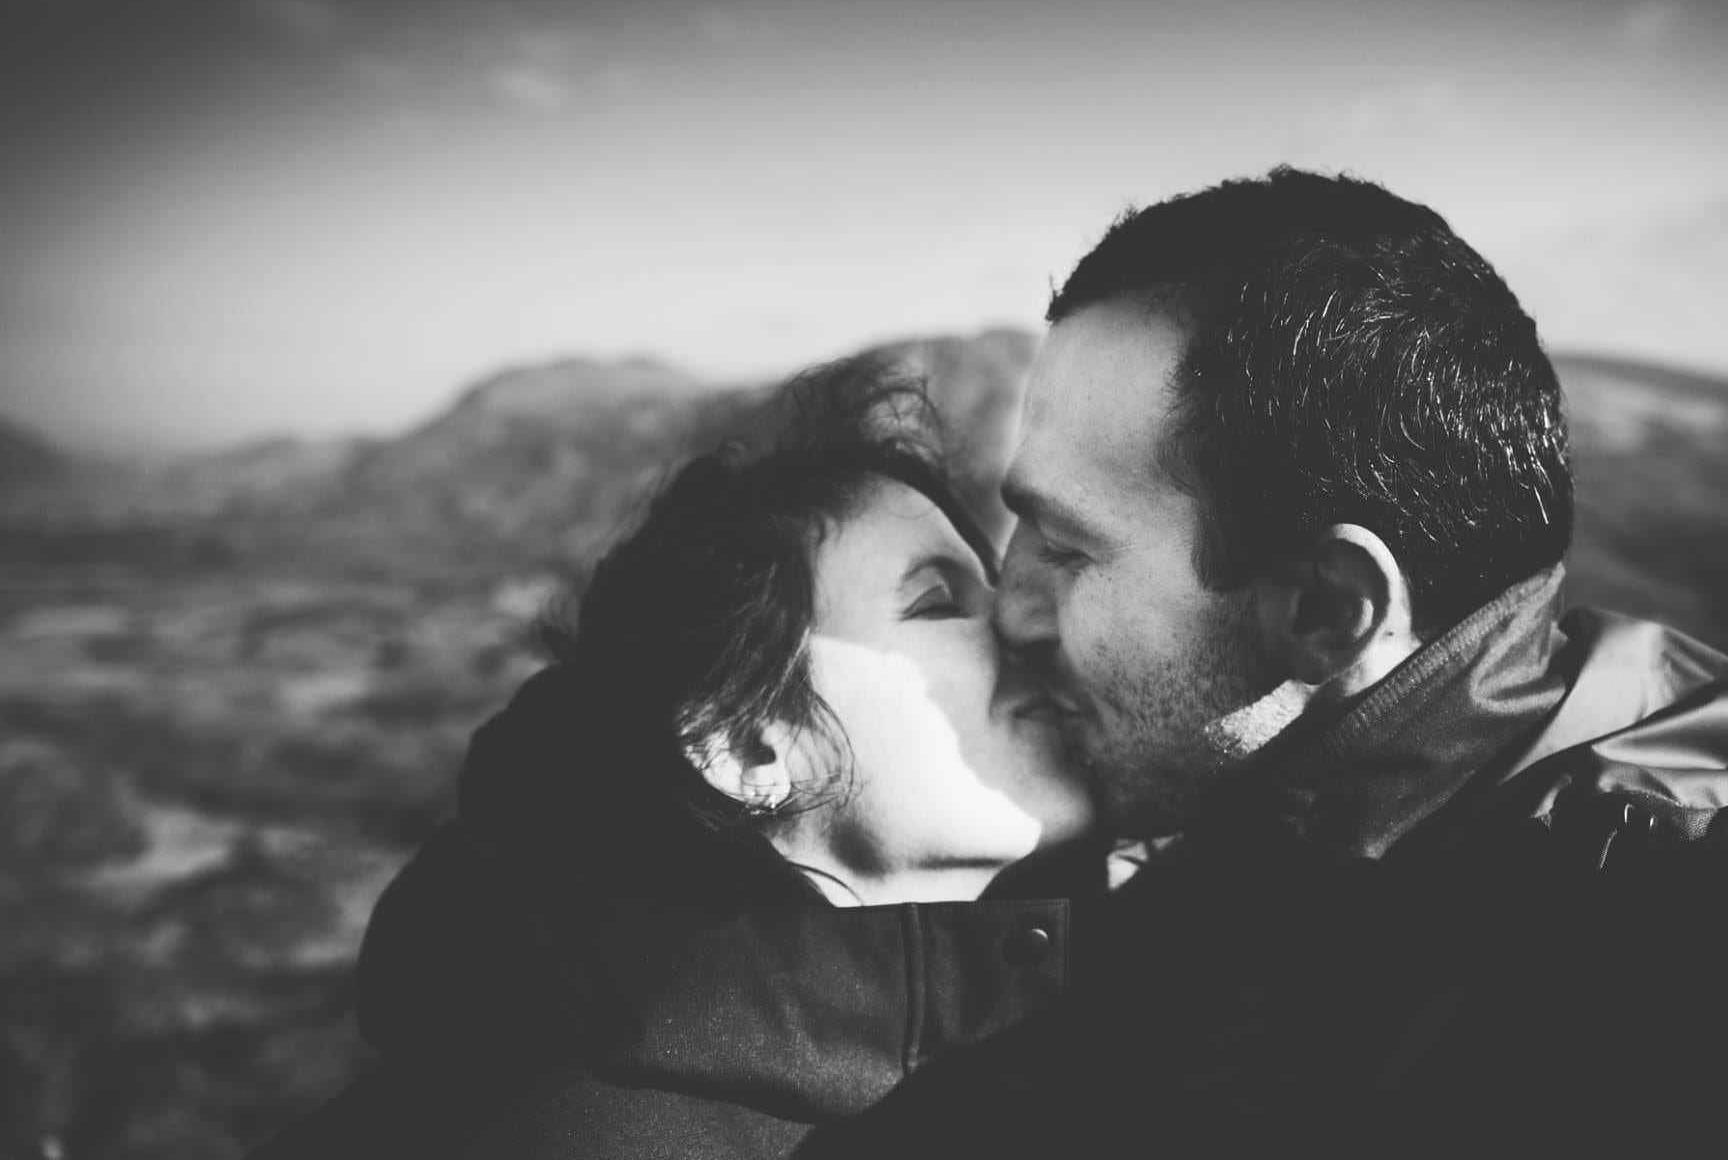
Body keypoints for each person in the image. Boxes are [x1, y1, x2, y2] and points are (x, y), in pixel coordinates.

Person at [804, 169, 1728, 1158]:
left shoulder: (1723, 953)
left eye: (1068, 547)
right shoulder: (1271, 818)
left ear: (1328, 610)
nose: (1010, 603)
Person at [248, 362, 1099, 1160]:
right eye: (938, 601)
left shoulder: (1072, 1036)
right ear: (747, 747)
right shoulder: (541, 1132)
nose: (1027, 628)